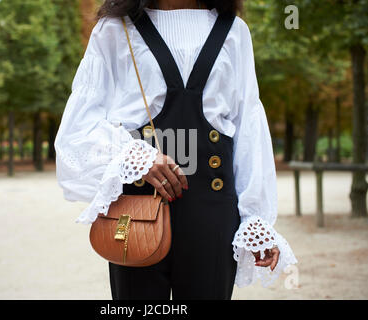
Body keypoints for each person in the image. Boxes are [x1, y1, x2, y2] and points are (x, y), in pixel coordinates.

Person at [55, 0, 297, 300]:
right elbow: (80, 125)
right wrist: (136, 156)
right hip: (136, 208)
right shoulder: (115, 29)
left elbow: (248, 124)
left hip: (212, 210)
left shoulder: (234, 31)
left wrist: (255, 220)